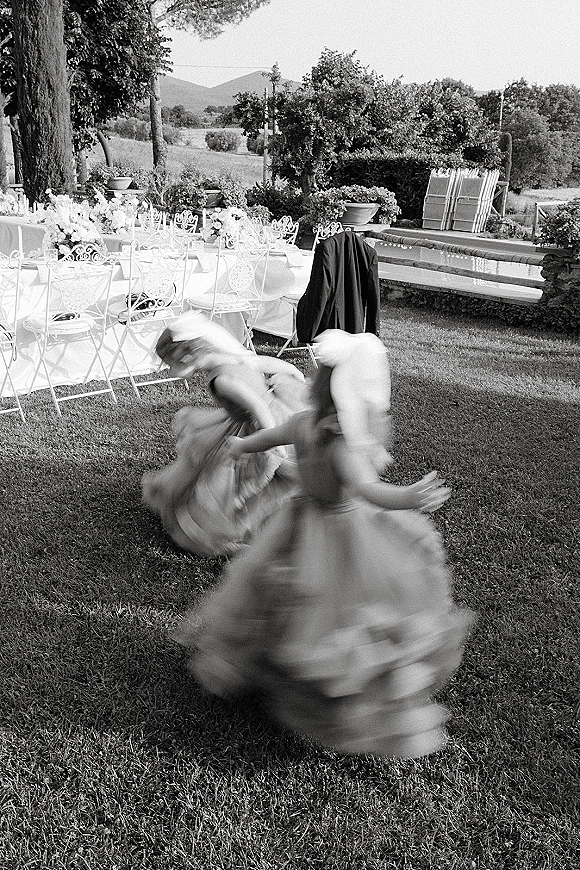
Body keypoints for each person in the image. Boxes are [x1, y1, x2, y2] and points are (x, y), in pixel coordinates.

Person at [173, 329, 474, 759]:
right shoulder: (342, 447)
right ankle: (322, 684)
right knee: (336, 608)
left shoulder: (304, 425)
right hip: (343, 530)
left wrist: (242, 443)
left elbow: (271, 436)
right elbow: (370, 490)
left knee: (285, 595)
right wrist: (407, 497)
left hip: (304, 521)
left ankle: (274, 665)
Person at [142, 311, 308, 556]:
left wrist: (271, 443)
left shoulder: (221, 380)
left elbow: (258, 407)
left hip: (259, 427)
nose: (169, 372)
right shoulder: (231, 358)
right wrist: (293, 371)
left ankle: (221, 529)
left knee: (231, 482)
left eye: (171, 365)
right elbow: (262, 362)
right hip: (265, 415)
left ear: (188, 357)